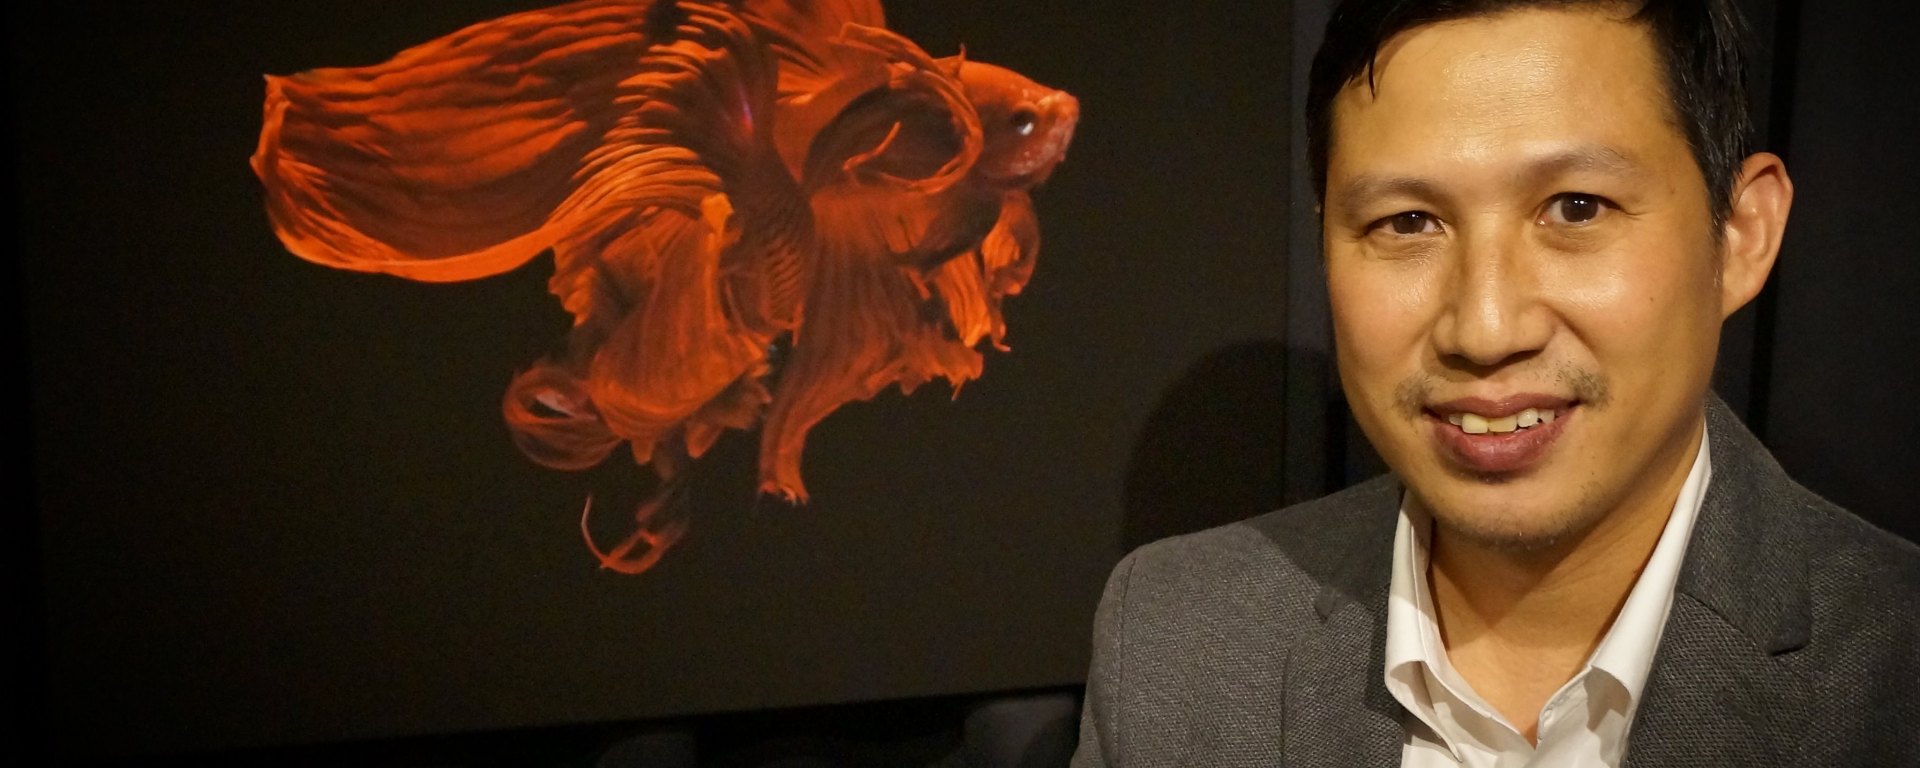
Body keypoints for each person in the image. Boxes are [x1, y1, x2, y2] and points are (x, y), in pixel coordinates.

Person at [1071, 0, 1920, 764]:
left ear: (1740, 234)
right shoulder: (1177, 640)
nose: (1485, 328)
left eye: (1577, 207)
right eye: (1408, 222)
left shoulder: (1893, 667)